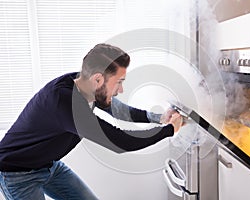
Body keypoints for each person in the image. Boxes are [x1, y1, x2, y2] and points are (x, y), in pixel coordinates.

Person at [0, 43, 183, 200]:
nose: (121, 89)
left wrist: (158, 118)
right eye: (118, 82)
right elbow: (120, 141)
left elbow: (118, 110)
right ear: (98, 79)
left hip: (49, 165)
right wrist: (168, 130)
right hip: (17, 174)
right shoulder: (65, 102)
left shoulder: (83, 84)